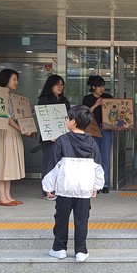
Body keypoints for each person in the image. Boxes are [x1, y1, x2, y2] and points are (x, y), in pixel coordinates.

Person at [42, 105, 104, 262]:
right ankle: (81, 250)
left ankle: (59, 248)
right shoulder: (92, 142)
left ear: (73, 122)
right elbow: (98, 167)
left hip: (65, 187)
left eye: (67, 118)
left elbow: (53, 165)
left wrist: (48, 187)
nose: (66, 121)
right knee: (82, 219)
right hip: (84, 188)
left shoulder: (62, 140)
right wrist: (96, 186)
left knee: (61, 218)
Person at [0, 68, 27, 206]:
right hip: (5, 130)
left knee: (9, 163)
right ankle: (2, 197)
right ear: (6, 79)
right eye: (14, 79)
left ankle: (8, 196)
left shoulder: (10, 96)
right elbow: (7, 118)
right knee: (3, 162)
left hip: (12, 131)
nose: (16, 82)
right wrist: (20, 129)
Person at [38, 74, 71, 200]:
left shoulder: (64, 101)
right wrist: (51, 135)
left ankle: (59, 189)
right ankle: (47, 190)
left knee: (61, 164)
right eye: (57, 85)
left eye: (62, 85)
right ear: (50, 86)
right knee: (48, 163)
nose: (60, 87)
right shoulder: (44, 99)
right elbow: (42, 119)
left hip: (62, 138)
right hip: (49, 138)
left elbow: (68, 118)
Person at [82, 75, 113, 194]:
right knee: (94, 157)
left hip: (106, 129)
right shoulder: (87, 99)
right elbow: (84, 113)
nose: (102, 89)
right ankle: (95, 184)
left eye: (103, 86)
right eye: (100, 86)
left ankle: (105, 184)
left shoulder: (108, 98)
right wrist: (95, 105)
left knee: (105, 157)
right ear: (93, 87)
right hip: (92, 130)